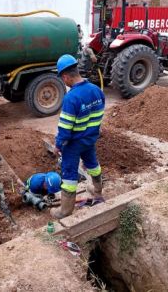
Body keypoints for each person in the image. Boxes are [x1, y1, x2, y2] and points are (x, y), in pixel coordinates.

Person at [50, 54, 106, 219]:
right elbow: (98, 117)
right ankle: (97, 190)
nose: (64, 82)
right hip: (90, 139)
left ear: (66, 76)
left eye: (63, 79)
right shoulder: (96, 90)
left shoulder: (71, 98)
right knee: (92, 164)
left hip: (73, 144)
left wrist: (58, 145)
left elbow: (65, 129)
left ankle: (65, 210)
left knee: (69, 173)